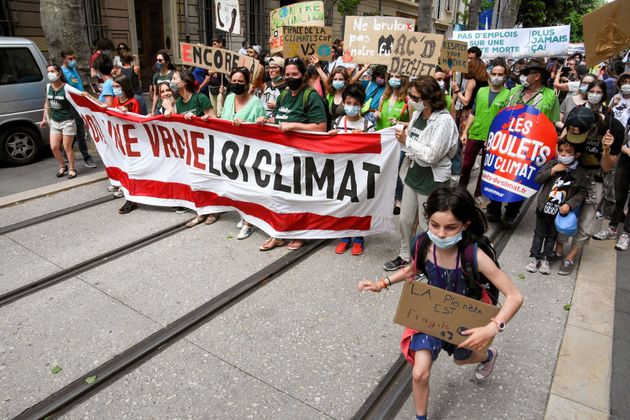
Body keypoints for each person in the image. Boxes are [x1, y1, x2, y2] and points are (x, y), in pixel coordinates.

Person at [358, 185, 523, 420]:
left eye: (450, 227)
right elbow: (414, 268)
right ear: (428, 219)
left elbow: (515, 296)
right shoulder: (423, 244)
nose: (441, 233)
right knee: (419, 373)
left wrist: (492, 327)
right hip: (432, 313)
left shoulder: (474, 255)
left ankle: (487, 355)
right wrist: (382, 283)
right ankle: (420, 418)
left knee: (460, 359)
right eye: (434, 225)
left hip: (466, 318)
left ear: (465, 224)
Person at [383, 76, 459, 271]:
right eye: (410, 95)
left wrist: (407, 140)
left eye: (415, 97)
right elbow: (414, 145)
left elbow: (432, 155)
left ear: (429, 98)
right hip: (413, 174)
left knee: (428, 224)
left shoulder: (444, 121)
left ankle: (428, 261)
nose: (411, 100)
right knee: (405, 219)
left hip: (431, 179)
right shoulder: (417, 116)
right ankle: (405, 255)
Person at [255, 56, 327, 251]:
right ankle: (279, 233)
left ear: (303, 75)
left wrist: (295, 126)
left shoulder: (311, 96)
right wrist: (267, 121)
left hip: (303, 156)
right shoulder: (283, 96)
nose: (290, 77)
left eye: (294, 74)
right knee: (278, 195)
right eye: (287, 74)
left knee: (299, 196)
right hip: (281, 155)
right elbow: (279, 120)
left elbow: (321, 127)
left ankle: (300, 233)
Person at [486, 58, 561, 228]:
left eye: (527, 73)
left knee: (521, 177)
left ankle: (512, 212)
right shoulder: (515, 91)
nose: (523, 76)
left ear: (537, 76)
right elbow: (502, 112)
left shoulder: (550, 96)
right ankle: (494, 207)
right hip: (507, 141)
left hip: (530, 146)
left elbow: (554, 121)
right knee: (499, 172)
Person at [556, 106, 624, 275]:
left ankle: (571, 256)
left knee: (587, 218)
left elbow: (607, 167)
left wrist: (606, 150)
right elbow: (563, 145)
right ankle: (558, 245)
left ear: (592, 127)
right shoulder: (573, 120)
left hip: (596, 177)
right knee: (564, 210)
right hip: (572, 174)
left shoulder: (613, 128)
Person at [525, 139, 588, 274]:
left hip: (559, 212)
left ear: (576, 154)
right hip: (543, 208)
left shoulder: (579, 172)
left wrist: (569, 205)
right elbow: (538, 178)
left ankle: (547, 258)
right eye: (561, 151)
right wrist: (553, 170)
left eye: (568, 152)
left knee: (552, 236)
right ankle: (534, 257)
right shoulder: (553, 164)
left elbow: (582, 192)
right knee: (538, 233)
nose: (564, 154)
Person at [167, 70, 217, 227]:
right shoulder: (179, 103)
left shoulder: (200, 98)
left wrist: (197, 120)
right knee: (195, 180)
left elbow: (215, 120)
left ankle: (213, 211)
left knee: (208, 179)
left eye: (174, 79)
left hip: (206, 146)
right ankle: (201, 211)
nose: (172, 82)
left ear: (183, 82)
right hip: (191, 148)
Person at [329, 83, 375, 256]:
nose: (352, 107)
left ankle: (358, 238)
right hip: (342, 169)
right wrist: (331, 137)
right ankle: (345, 236)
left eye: (356, 104)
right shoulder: (338, 122)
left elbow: (376, 149)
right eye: (349, 103)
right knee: (344, 203)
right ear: (343, 102)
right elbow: (330, 146)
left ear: (361, 105)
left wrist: (365, 140)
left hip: (361, 171)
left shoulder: (367, 125)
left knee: (359, 204)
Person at [220, 66, 266, 239]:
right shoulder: (230, 97)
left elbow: (261, 128)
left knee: (249, 187)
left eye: (241, 81)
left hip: (249, 151)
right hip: (231, 151)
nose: (237, 84)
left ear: (247, 83)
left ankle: (248, 223)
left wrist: (247, 123)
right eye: (234, 81)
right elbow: (222, 120)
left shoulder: (255, 102)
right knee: (237, 186)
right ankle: (243, 214)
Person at [459, 59, 510, 207]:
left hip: (494, 137)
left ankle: (478, 194)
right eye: (494, 73)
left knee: (485, 168)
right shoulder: (481, 91)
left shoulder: (508, 95)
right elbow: (473, 113)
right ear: (489, 74)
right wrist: (465, 132)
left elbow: (507, 119)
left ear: (505, 76)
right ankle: (461, 191)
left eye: (500, 74)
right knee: (467, 165)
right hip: (475, 133)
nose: (496, 77)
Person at [60, 49, 97, 168]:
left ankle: (66, 152)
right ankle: (87, 157)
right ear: (64, 59)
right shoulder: (62, 72)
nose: (73, 61)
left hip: (80, 102)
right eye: (70, 59)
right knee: (79, 131)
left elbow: (78, 86)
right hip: (72, 104)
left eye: (74, 58)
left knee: (77, 130)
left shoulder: (73, 69)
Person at [40, 64, 77, 179]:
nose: (50, 73)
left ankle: (72, 169)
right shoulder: (48, 87)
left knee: (67, 147)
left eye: (52, 71)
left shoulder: (66, 88)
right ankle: (62, 166)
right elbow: (47, 103)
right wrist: (44, 118)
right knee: (54, 147)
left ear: (59, 73)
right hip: (54, 122)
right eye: (48, 71)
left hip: (67, 121)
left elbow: (79, 100)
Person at [150, 50, 176, 115]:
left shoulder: (173, 74)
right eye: (157, 60)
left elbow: (177, 93)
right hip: (160, 108)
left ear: (167, 63)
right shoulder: (156, 76)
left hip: (172, 106)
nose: (158, 62)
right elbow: (156, 94)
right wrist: (153, 110)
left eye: (160, 60)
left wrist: (172, 105)